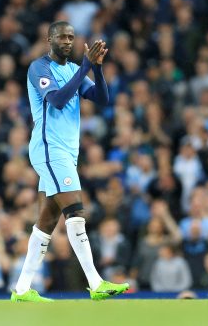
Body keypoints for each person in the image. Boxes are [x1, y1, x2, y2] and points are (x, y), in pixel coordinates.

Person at [11, 21, 127, 302]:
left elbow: (101, 98)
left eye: (71, 37)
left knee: (47, 220)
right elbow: (58, 100)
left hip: (66, 152)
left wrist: (96, 67)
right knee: (75, 212)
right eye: (62, 36)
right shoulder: (40, 68)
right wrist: (86, 67)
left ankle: (22, 289)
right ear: (49, 38)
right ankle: (95, 282)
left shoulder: (74, 70)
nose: (67, 41)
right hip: (50, 149)